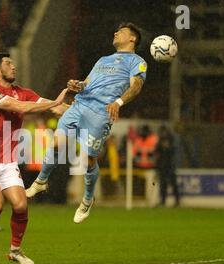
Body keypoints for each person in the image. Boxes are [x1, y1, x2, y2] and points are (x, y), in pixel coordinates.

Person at [26, 22, 147, 223]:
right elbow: (87, 84)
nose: (116, 32)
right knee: (57, 143)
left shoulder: (137, 61)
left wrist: (118, 102)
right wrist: (77, 85)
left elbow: (136, 87)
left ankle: (87, 200)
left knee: (89, 159)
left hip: (101, 111)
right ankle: (41, 181)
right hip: (80, 104)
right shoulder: (103, 59)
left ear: (132, 39)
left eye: (121, 31)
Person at [0, 52, 67, 264]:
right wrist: (55, 102)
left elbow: (56, 107)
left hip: (8, 162)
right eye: (8, 64)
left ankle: (15, 250)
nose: (13, 67)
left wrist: (84, 112)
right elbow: (20, 107)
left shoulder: (22, 92)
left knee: (21, 204)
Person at [155, 125, 180, 207]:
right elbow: (156, 151)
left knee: (173, 184)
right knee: (163, 185)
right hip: (162, 167)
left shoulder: (172, 141)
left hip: (170, 166)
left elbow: (173, 152)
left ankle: (177, 201)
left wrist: (168, 147)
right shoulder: (159, 142)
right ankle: (163, 201)